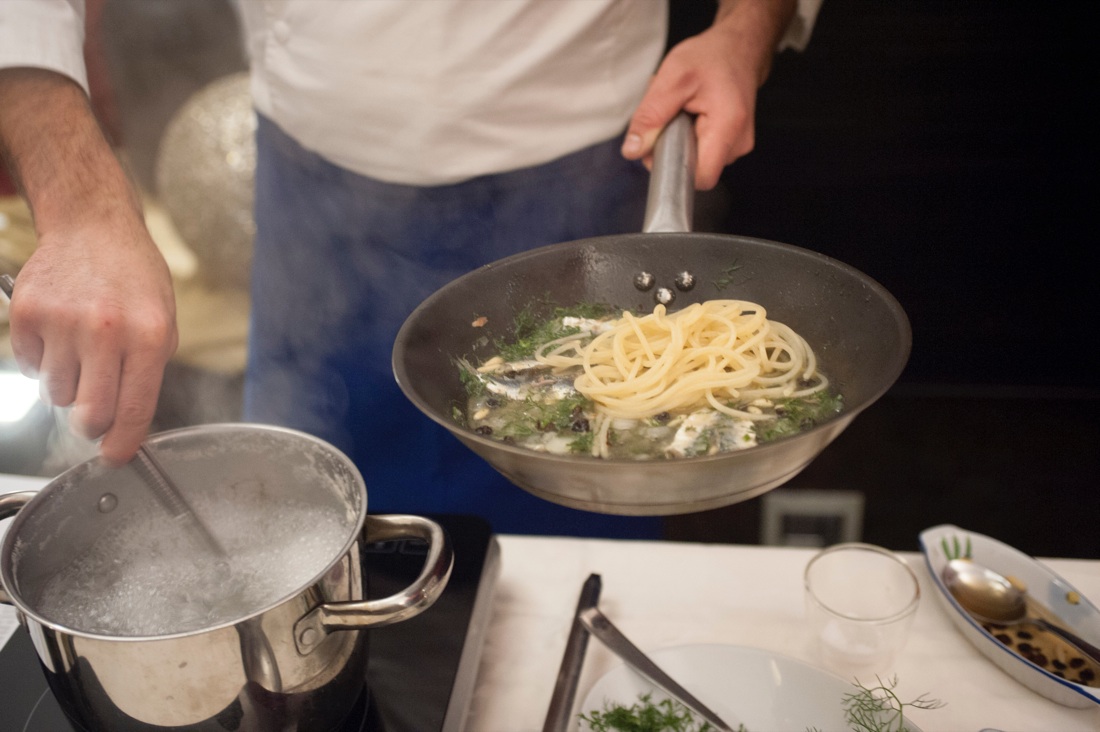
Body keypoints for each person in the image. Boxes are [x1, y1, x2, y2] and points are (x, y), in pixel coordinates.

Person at [0, 0, 821, 536]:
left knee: (582, 577)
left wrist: (744, 30)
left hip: (583, 183)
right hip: (312, 200)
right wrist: (78, 208)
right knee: (301, 544)